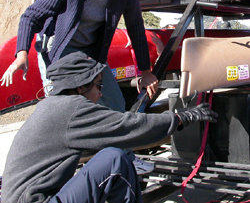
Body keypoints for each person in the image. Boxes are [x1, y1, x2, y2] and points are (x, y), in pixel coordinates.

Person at [2, 52, 218, 203]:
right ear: (80, 86)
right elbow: (130, 127)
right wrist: (181, 118)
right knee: (114, 160)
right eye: (99, 85)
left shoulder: (51, 106)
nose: (101, 93)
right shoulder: (72, 109)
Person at [0, 0, 158, 112]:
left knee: (115, 106)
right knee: (63, 109)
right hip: (58, 50)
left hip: (92, 53)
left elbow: (136, 28)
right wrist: (21, 53)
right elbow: (31, 16)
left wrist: (146, 72)